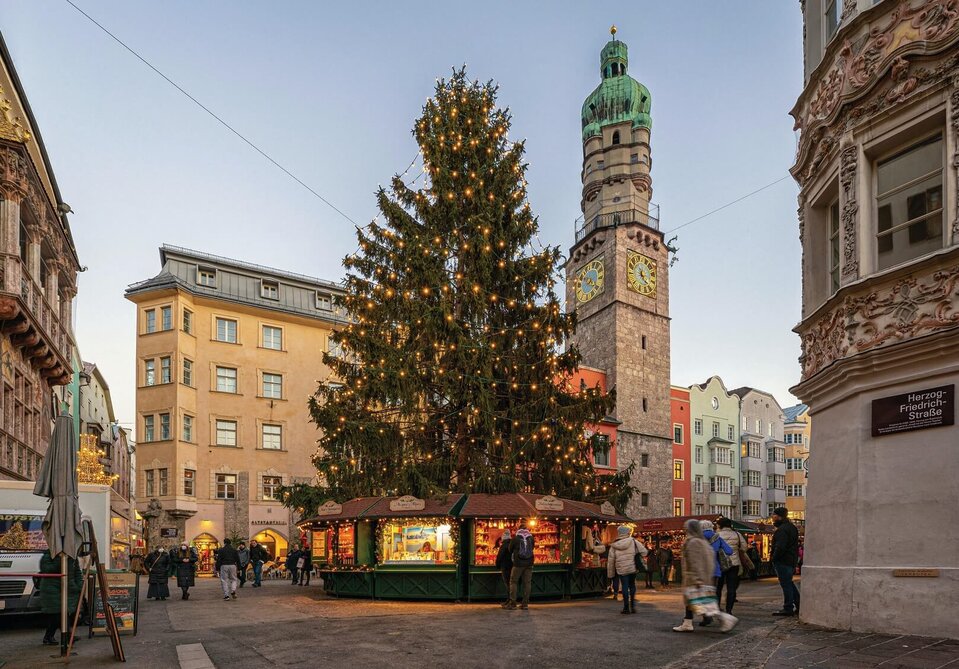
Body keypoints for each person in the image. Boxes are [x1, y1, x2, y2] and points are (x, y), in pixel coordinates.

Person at [672, 519, 738, 633]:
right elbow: (728, 551)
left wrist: (697, 579)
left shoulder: (693, 542)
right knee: (695, 601)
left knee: (703, 603)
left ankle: (725, 618)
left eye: (686, 528)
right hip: (711, 573)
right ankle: (687, 622)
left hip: (696, 577)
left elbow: (694, 562)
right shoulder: (708, 540)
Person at [38, 550, 83, 645]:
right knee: (59, 613)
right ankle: (67, 636)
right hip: (52, 589)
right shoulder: (48, 555)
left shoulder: (72, 557)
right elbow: (46, 569)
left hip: (68, 588)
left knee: (59, 615)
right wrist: (60, 561)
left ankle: (48, 637)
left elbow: (77, 572)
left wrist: (79, 585)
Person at [607, 525, 647, 614]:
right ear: (627, 532)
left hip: (621, 569)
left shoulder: (614, 545)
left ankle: (626, 608)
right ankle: (632, 606)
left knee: (624, 586)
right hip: (632, 567)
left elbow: (611, 560)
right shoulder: (633, 541)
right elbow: (644, 552)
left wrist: (611, 573)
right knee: (632, 585)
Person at [771, 507, 801, 616]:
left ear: (779, 516)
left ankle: (788, 607)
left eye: (774, 515)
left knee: (786, 584)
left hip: (783, 560)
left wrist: (774, 558)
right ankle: (798, 603)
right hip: (791, 559)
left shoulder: (782, 529)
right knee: (789, 583)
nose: (772, 517)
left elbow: (780, 546)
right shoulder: (791, 527)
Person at [715, 517, 747, 615]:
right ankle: (729, 610)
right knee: (731, 588)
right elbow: (744, 547)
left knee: (718, 587)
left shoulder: (716, 535)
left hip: (720, 563)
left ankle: (717, 607)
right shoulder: (737, 534)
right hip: (734, 563)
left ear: (719, 525)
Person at [506, 522, 535, 610]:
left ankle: (513, 603)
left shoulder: (516, 538)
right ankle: (525, 604)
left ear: (519, 529)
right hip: (529, 563)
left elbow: (509, 549)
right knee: (527, 583)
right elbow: (532, 548)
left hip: (518, 564)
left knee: (513, 581)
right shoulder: (531, 538)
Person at [494, 529, 513, 608]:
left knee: (507, 584)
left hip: (505, 567)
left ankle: (509, 600)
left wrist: (497, 565)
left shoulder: (504, 545)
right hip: (512, 566)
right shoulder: (512, 544)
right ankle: (510, 600)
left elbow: (500, 556)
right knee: (511, 583)